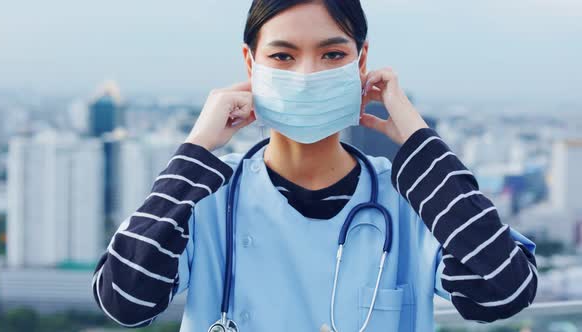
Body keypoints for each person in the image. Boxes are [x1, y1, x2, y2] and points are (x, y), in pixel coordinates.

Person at [92, 1, 538, 331]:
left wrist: (420, 142)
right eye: (283, 56)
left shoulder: (414, 203)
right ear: (251, 64)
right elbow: (125, 300)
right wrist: (197, 149)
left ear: (361, 63)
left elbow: (504, 290)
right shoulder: (206, 195)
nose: (307, 75)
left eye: (332, 55)